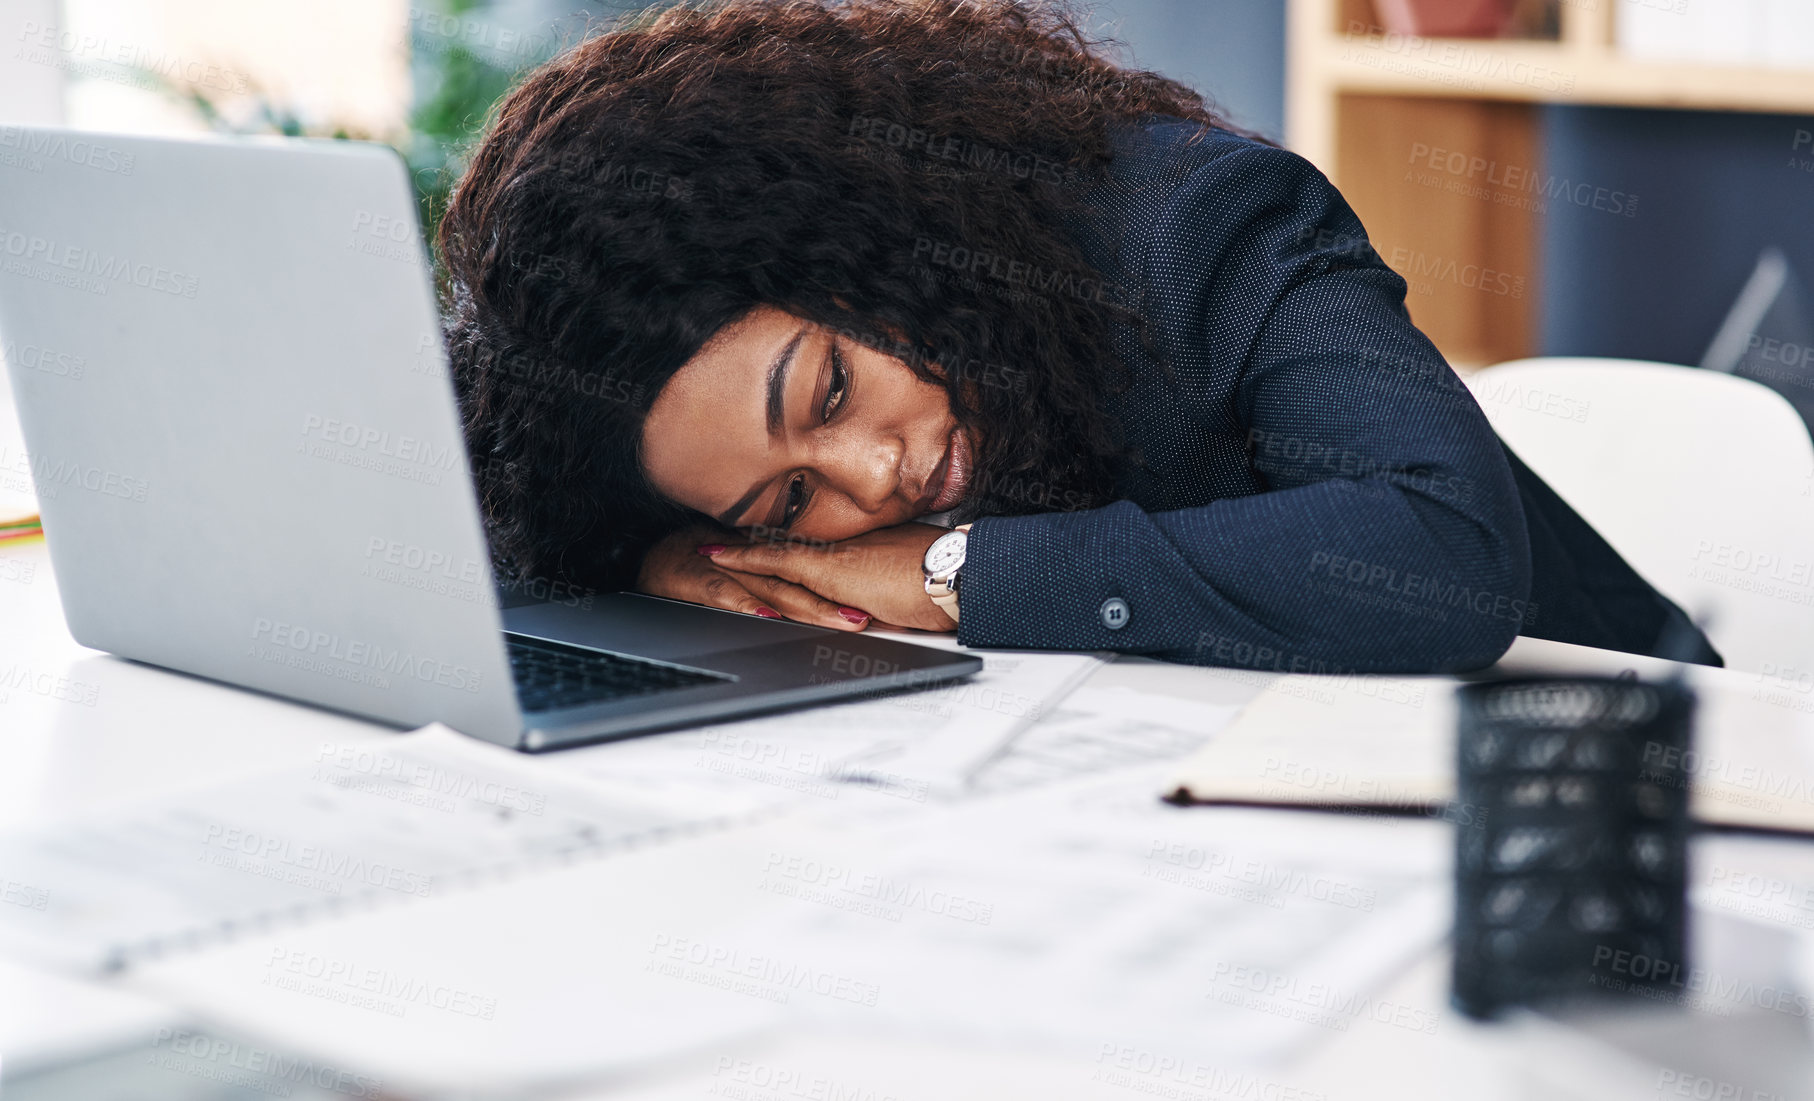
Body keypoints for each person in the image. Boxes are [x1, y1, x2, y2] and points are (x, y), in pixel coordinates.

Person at [436, 0, 1719, 674]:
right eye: (785, 500)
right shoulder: (783, 517)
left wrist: (943, 572)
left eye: (828, 390)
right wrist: (671, 560)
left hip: (1626, 762)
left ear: (860, 231)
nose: (871, 478)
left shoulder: (1193, 219)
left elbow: (1436, 549)